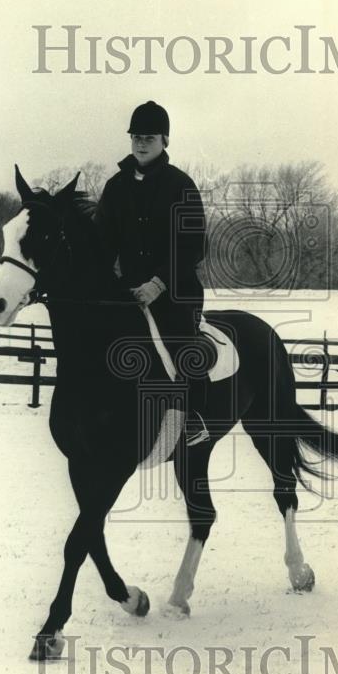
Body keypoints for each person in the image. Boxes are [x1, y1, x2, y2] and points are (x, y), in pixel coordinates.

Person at [95, 101, 211, 446]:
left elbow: (193, 246)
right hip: (129, 292)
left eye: (148, 137)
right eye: (135, 137)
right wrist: (109, 283)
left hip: (175, 291)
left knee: (181, 347)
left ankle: (195, 417)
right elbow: (103, 244)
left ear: (165, 141)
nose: (140, 143)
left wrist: (158, 284)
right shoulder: (116, 187)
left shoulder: (182, 185)